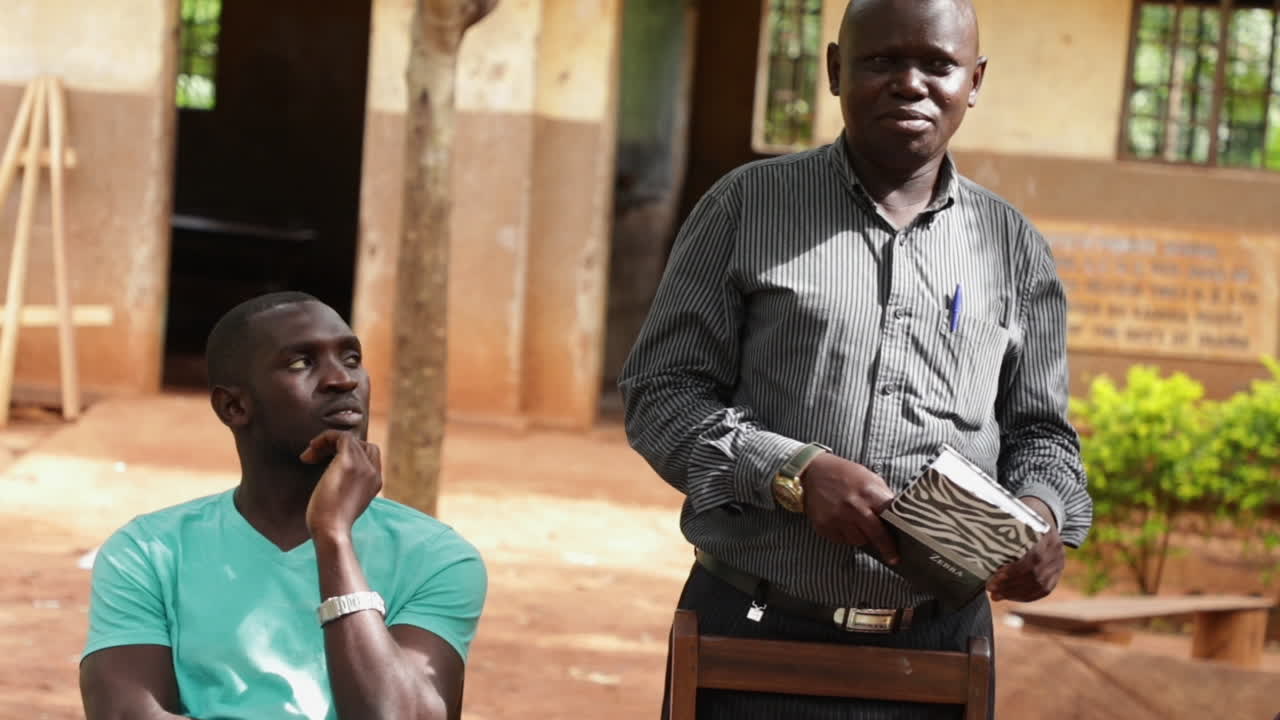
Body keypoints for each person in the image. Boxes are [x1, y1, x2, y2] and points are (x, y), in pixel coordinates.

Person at [619, 0, 1092, 717]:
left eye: (938, 64)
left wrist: (1038, 517)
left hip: (936, 653)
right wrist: (793, 473)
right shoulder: (747, 208)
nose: (910, 84)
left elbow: (1042, 436)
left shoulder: (1013, 247)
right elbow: (661, 394)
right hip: (752, 637)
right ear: (837, 69)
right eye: (881, 61)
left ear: (975, 80)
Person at [79, 292, 487, 720]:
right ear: (233, 406)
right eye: (300, 363)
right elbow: (125, 713)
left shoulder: (436, 557)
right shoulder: (149, 553)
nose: (341, 380)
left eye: (351, 359)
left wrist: (332, 536)